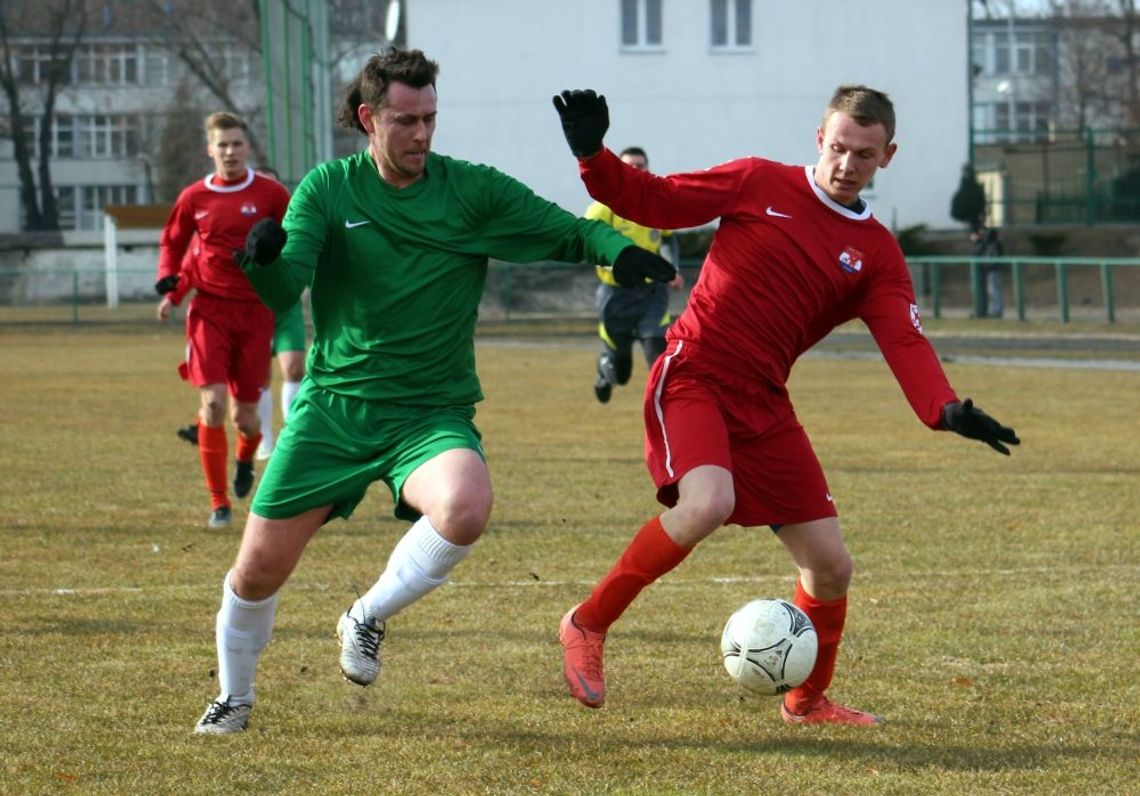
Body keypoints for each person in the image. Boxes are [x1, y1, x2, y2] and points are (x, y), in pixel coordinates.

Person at [192, 48, 676, 735]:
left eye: (430, 119)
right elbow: (285, 283)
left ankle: (366, 616)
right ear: (368, 118)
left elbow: (563, 230)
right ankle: (234, 698)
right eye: (404, 120)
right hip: (332, 410)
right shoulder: (328, 189)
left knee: (466, 503)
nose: (421, 134)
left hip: (429, 415)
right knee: (256, 572)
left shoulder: (470, 191)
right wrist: (264, 261)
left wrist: (619, 253)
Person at [551, 86, 1020, 725]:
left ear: (888, 155)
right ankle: (586, 622)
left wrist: (943, 409)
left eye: (864, 153)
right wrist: (591, 154)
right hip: (695, 374)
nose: (847, 163)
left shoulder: (877, 254)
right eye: (838, 147)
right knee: (707, 504)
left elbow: (903, 338)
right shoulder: (755, 181)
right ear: (819, 139)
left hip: (765, 401)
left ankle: (807, 699)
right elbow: (651, 198)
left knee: (831, 566)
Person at [154, 112, 291, 529]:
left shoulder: (270, 193)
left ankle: (245, 461)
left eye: (236, 143)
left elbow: (297, 233)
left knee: (245, 419)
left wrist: (272, 258)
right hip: (209, 310)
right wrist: (167, 277)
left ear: (247, 147)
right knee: (211, 404)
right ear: (209, 150)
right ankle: (219, 504)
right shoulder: (194, 197)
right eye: (222, 145)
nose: (229, 152)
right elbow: (174, 240)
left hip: (255, 313)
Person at [585, 146, 684, 403]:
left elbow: (667, 240)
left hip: (652, 294)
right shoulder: (603, 207)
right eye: (630, 166)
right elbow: (587, 244)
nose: (636, 171)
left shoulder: (656, 205)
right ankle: (605, 371)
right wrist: (613, 265)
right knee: (622, 372)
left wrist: (673, 269)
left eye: (641, 166)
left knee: (658, 355)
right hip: (616, 296)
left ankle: (667, 414)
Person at [250, 165, 307, 461]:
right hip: (256, 308)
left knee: (295, 368)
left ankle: (292, 438)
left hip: (286, 307)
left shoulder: (291, 221)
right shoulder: (243, 223)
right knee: (259, 377)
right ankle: (265, 440)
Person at [971, 225, 1005, 319]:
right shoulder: (986, 244)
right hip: (988, 270)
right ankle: (991, 310)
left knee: (995, 290)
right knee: (991, 291)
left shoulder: (994, 244)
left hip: (994, 270)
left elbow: (994, 257)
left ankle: (997, 311)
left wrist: (988, 265)